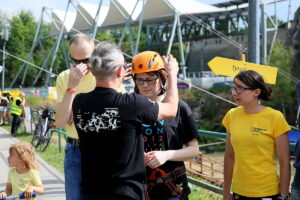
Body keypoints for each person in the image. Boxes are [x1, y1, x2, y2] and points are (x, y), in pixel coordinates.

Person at [72, 41, 179, 200]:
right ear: (121, 71)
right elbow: (171, 110)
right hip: (126, 192)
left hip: (91, 192)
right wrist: (172, 75)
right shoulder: (132, 104)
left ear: (93, 70)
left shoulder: (79, 102)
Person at [55, 33, 126, 200]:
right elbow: (60, 121)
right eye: (76, 62)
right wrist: (71, 87)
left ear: (95, 55)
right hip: (76, 150)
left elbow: (118, 111)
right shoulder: (65, 77)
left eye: (86, 60)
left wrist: (76, 111)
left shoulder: (105, 74)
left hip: (103, 147)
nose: (82, 66)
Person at [131, 51, 199, 200]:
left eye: (150, 79)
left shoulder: (179, 107)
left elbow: (194, 150)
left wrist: (167, 155)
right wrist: (136, 157)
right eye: (140, 80)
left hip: (172, 187)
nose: (145, 85)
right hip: (139, 188)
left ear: (161, 78)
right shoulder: (130, 107)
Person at [222, 70, 291, 200]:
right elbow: (229, 156)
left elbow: (284, 161)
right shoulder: (231, 115)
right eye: (234, 88)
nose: (234, 93)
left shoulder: (275, 117)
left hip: (267, 192)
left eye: (240, 88)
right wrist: (226, 192)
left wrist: (283, 195)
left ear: (257, 92)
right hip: (239, 191)